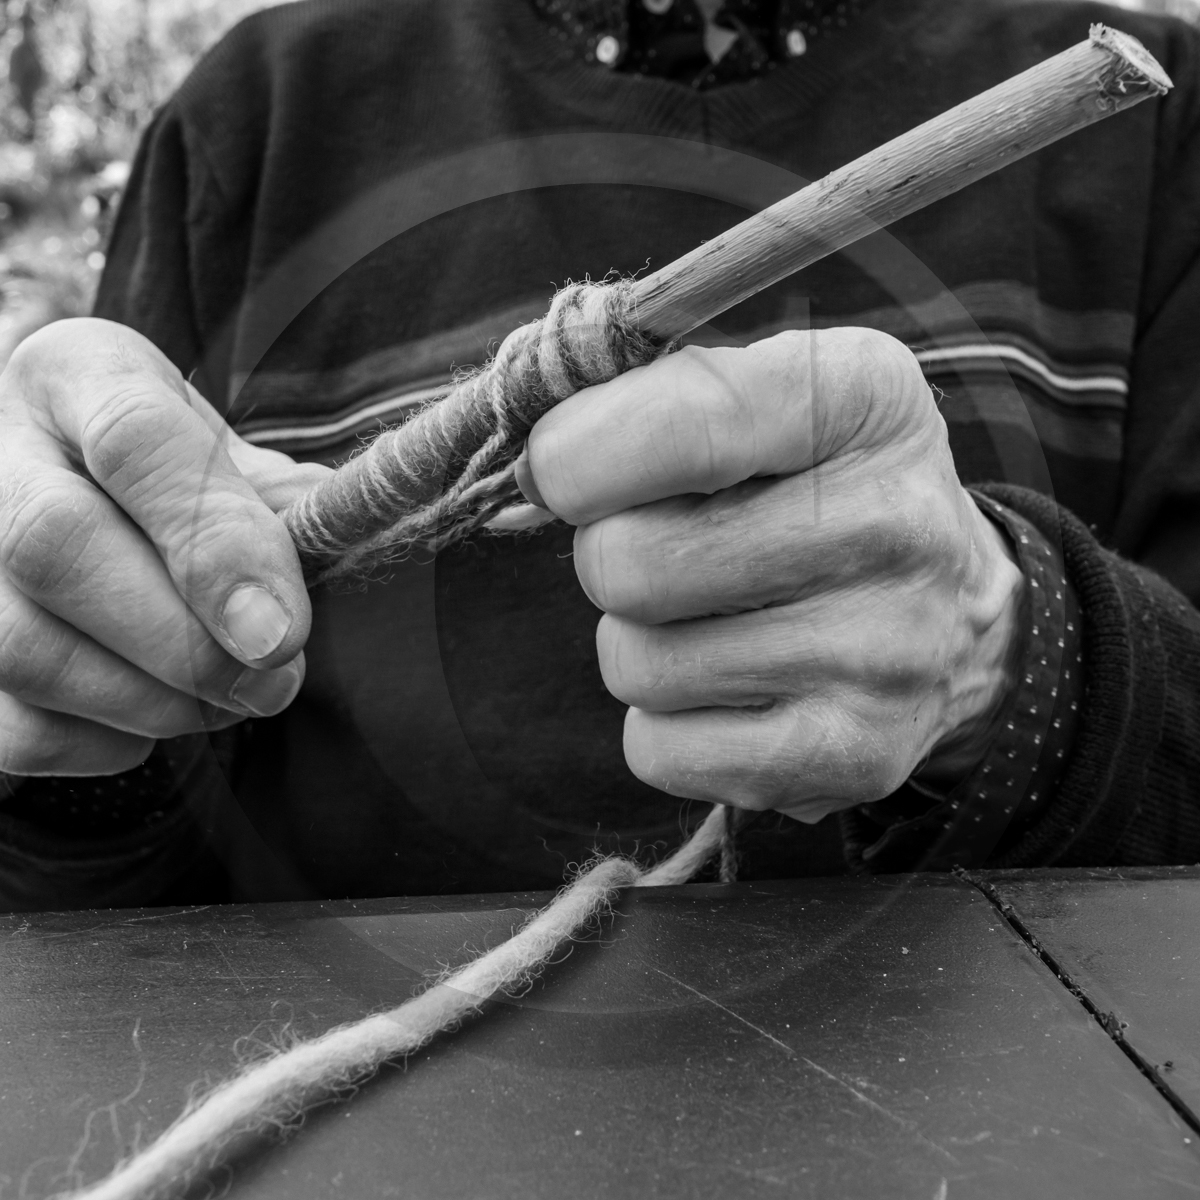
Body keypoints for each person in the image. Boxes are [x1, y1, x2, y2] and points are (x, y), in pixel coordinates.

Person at [0, 0, 1197, 910]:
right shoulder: (255, 113)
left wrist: (1012, 651)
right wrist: (79, 698)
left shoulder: (1164, 136)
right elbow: (89, 896)